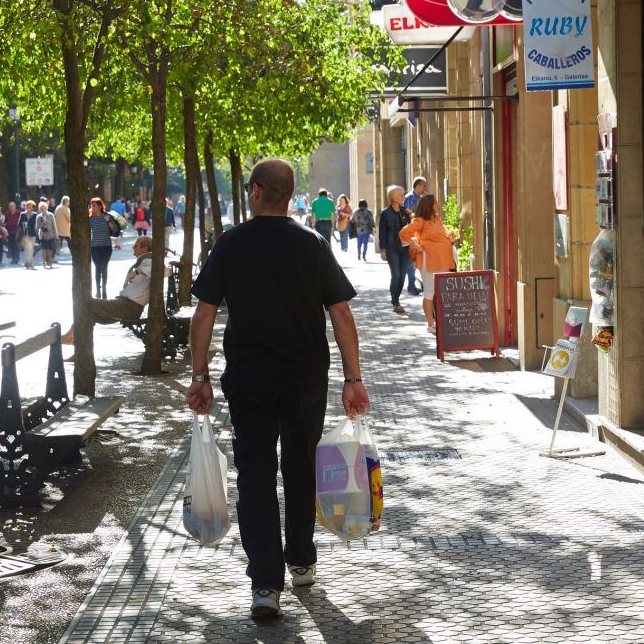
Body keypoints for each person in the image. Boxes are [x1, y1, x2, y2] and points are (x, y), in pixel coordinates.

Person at [185, 158, 369, 619]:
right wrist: (353, 379)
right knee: (301, 468)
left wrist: (200, 376)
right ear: (288, 194)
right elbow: (342, 314)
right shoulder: (312, 243)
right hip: (305, 379)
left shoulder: (231, 244)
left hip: (249, 381)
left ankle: (265, 584)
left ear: (255, 191)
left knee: (255, 475)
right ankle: (302, 559)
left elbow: (204, 315)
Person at [61, 236, 155, 342]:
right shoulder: (144, 261)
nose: (133, 247)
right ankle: (76, 341)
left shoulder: (148, 260)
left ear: (145, 248)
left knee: (87, 303)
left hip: (129, 307)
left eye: (136, 245)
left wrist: (137, 272)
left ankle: (72, 337)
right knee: (88, 314)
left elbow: (163, 270)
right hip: (126, 305)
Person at [399, 193, 457, 334]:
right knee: (429, 293)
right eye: (435, 203)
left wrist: (450, 237)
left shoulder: (437, 219)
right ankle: (431, 324)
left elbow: (440, 236)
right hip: (429, 261)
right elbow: (404, 233)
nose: (437, 205)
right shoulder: (420, 220)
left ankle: (443, 322)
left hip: (444, 261)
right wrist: (414, 244)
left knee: (443, 293)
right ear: (428, 206)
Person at [379, 185, 412, 315]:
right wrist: (382, 250)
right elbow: (382, 233)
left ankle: (396, 299)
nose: (404, 197)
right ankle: (395, 302)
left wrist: (410, 216)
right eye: (401, 195)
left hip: (405, 248)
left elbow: (411, 228)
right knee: (396, 275)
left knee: (402, 276)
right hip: (391, 248)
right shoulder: (385, 213)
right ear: (394, 197)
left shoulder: (405, 211)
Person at [402, 177, 426, 295]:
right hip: (411, 233)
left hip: (417, 232)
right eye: (423, 185)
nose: (425, 188)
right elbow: (408, 215)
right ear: (418, 185)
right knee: (410, 260)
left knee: (414, 260)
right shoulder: (410, 197)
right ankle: (411, 286)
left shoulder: (419, 198)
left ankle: (413, 284)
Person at [89, 197, 114, 298]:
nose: (92, 207)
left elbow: (114, 229)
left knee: (104, 267)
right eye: (91, 206)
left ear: (100, 206)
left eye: (94, 206)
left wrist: (108, 221)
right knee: (98, 268)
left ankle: (104, 288)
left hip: (107, 247)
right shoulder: (90, 219)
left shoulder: (106, 216)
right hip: (95, 247)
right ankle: (98, 290)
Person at [36, 201, 58, 268]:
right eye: (41, 208)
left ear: (46, 208)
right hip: (42, 235)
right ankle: (44, 262)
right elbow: (37, 227)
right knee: (43, 249)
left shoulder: (51, 215)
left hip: (50, 235)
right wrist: (41, 226)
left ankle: (49, 262)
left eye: (43, 208)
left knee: (50, 249)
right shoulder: (38, 217)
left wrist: (56, 235)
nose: (42, 209)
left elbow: (54, 226)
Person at [19, 200, 38, 269]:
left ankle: (30, 262)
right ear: (26, 207)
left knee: (31, 248)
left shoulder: (35, 214)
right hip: (25, 233)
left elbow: (37, 223)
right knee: (27, 248)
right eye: (28, 206)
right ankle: (27, 262)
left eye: (31, 206)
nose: (29, 208)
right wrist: (23, 226)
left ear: (32, 207)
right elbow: (19, 224)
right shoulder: (23, 214)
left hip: (33, 233)